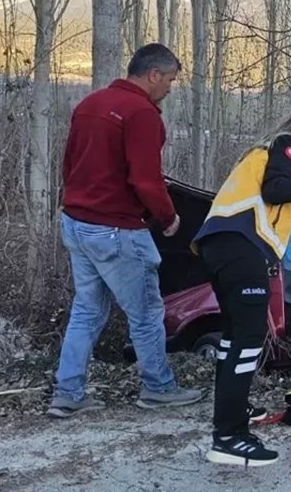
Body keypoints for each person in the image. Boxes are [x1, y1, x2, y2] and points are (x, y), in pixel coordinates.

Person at [48, 43, 204, 418]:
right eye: (169, 80)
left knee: (87, 310)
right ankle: (158, 387)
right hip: (116, 229)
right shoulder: (141, 114)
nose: (169, 87)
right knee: (148, 312)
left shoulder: (91, 104)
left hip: (77, 223)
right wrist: (168, 219)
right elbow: (146, 179)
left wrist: (73, 203)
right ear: (153, 75)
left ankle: (68, 392)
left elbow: (69, 165)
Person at [191, 107, 291, 467]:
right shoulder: (288, 145)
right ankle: (229, 437)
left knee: (233, 339)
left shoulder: (267, 155)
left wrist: (290, 239)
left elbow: (272, 202)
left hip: (222, 247)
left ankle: (236, 409)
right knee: (249, 337)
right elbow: (276, 191)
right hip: (240, 247)